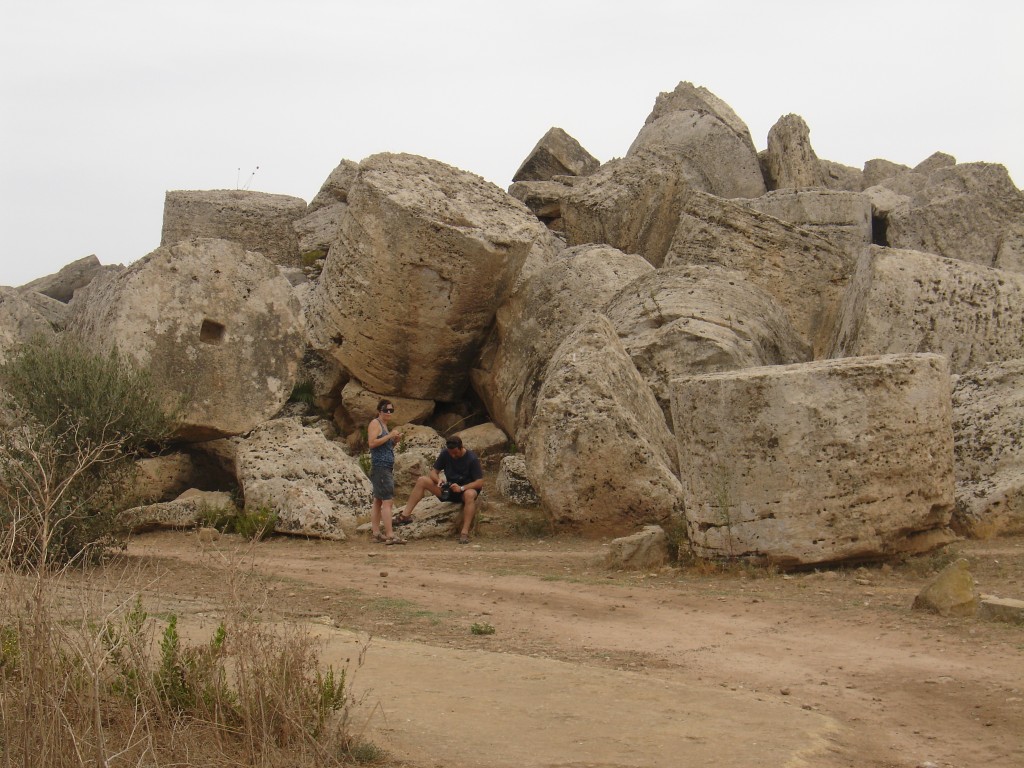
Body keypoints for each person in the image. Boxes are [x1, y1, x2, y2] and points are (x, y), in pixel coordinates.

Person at [396, 435, 483, 544]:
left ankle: (464, 533)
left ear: (461, 447)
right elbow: (433, 472)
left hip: (464, 490)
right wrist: (438, 481)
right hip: (449, 489)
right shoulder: (445, 454)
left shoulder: (472, 458)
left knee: (469, 494)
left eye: (455, 453)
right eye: (451, 453)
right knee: (422, 480)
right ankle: (405, 516)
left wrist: (462, 488)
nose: (453, 455)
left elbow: (479, 482)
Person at [367, 399, 405, 545]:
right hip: (380, 467)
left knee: (378, 500)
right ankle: (390, 534)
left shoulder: (384, 426)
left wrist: (393, 441)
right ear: (379, 410)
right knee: (387, 501)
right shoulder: (375, 424)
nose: (388, 412)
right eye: (386, 410)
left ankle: (376, 533)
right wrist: (389, 436)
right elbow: (372, 443)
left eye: (391, 410)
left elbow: (383, 446)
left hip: (385, 466)